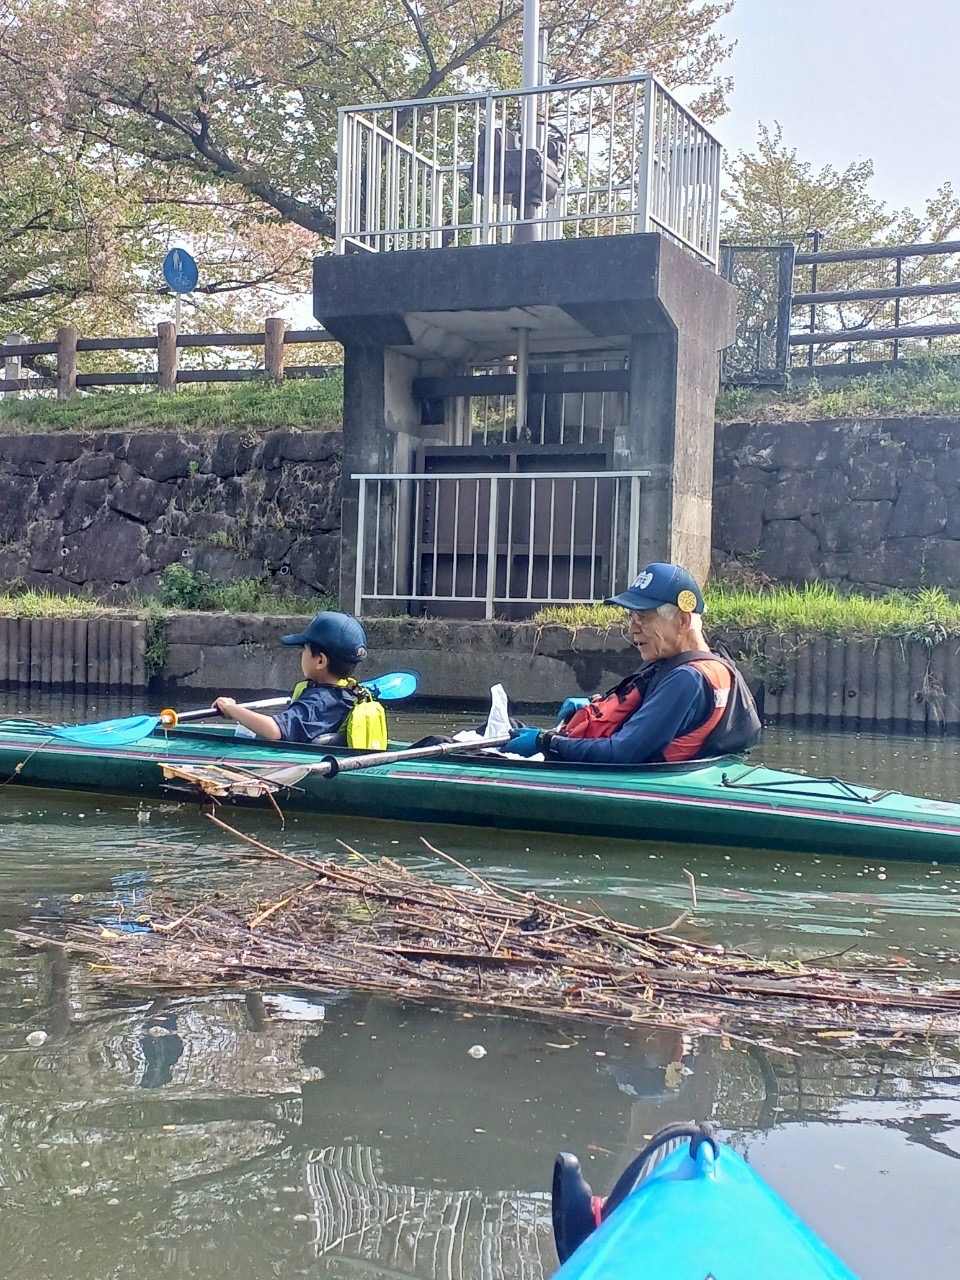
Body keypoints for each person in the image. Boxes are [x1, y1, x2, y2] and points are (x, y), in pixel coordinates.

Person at [505, 562, 761, 765]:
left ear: (683, 621)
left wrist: (546, 741)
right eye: (631, 617)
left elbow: (622, 753)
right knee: (510, 729)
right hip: (696, 770)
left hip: (643, 781)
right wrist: (597, 706)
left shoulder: (687, 678)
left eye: (643, 618)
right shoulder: (714, 663)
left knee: (507, 739)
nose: (633, 629)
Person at [213, 611, 367, 744]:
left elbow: (274, 730)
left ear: (320, 661)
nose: (301, 655)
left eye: (304, 650)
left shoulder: (317, 702)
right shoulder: (351, 694)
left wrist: (231, 709)